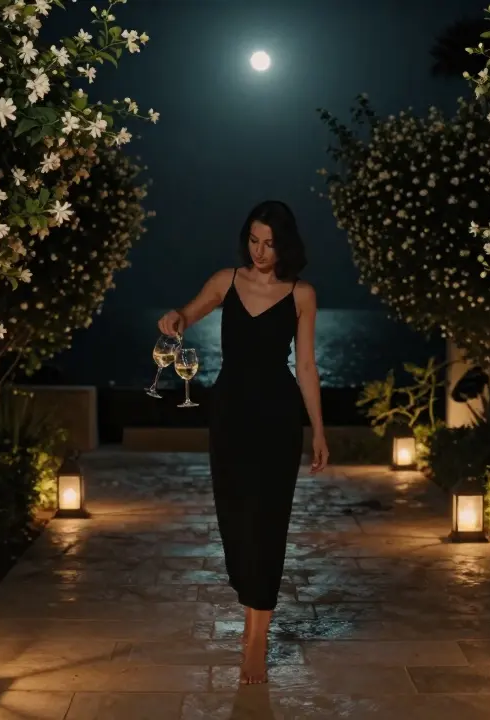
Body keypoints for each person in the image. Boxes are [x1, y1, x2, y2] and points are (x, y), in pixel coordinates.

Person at [157, 200, 328, 684]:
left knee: (268, 522)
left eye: (270, 243)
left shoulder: (301, 294)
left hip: (277, 417)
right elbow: (188, 313)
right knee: (235, 518)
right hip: (229, 414)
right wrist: (175, 318)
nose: (260, 251)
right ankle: (250, 601)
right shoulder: (225, 281)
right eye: (254, 240)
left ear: (285, 244)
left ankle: (257, 636)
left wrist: (318, 429)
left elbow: (308, 367)